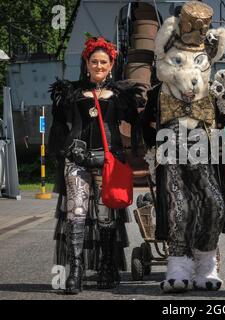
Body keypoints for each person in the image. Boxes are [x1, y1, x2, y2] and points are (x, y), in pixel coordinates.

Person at [48, 36, 144, 294]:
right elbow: (58, 126)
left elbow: (138, 125)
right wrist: (61, 151)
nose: (99, 66)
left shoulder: (121, 95)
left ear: (112, 64)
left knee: (105, 216)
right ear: (86, 63)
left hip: (108, 161)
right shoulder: (70, 92)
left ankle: (106, 265)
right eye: (94, 61)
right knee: (76, 213)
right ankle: (76, 269)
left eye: (104, 62)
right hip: (76, 159)